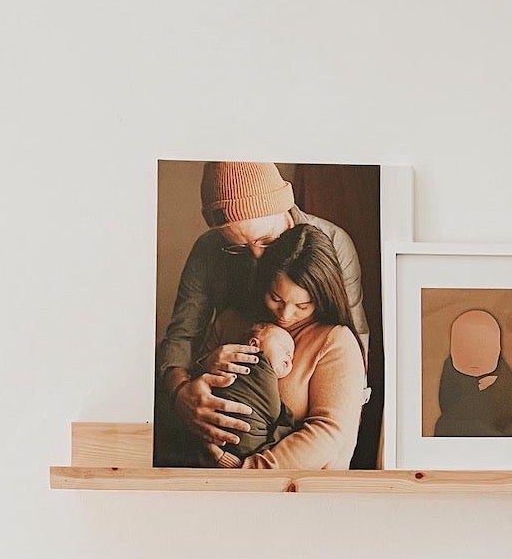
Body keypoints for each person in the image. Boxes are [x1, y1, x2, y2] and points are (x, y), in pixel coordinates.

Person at [156, 162, 368, 462]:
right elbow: (182, 337)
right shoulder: (210, 254)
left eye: (267, 241)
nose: (257, 258)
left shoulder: (333, 245)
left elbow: (354, 360)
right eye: (239, 248)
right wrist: (183, 394)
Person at [198, 224, 367, 470]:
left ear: (322, 298)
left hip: (297, 494)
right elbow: (194, 403)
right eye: (276, 298)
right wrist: (204, 367)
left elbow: (328, 432)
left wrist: (247, 471)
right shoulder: (231, 322)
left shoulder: (335, 342)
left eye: (303, 305)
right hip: (205, 479)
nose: (285, 314)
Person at [212, 323, 296, 467]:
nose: (289, 355)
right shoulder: (258, 365)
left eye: (292, 355)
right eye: (284, 348)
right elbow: (273, 412)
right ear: (253, 345)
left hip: (229, 446)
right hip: (239, 442)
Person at [434, 309, 512, 436]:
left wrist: (496, 386)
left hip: (499, 427)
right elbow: (446, 403)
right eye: (466, 351)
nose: (474, 360)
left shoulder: (501, 372)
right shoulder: (450, 370)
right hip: (463, 424)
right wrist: (472, 394)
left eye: (483, 350)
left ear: (497, 350)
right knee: (445, 427)